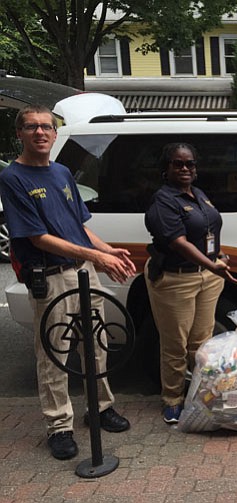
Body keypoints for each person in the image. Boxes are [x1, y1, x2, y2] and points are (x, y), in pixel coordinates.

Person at [0, 104, 136, 460]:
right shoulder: (13, 178)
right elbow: (37, 238)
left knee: (96, 342)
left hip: (82, 272)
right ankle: (59, 426)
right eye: (31, 127)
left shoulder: (61, 173)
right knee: (53, 352)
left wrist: (109, 251)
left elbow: (80, 226)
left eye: (46, 127)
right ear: (20, 134)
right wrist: (98, 257)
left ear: (55, 133)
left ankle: (100, 407)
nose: (40, 133)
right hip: (49, 276)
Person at [144, 142, 237, 424]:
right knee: (175, 344)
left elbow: (208, 229)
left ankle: (200, 394)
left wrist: (217, 256)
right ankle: (172, 399)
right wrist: (213, 264)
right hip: (176, 279)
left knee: (202, 342)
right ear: (167, 169)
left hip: (207, 278)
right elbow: (178, 242)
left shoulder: (198, 194)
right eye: (178, 163)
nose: (185, 168)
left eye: (190, 164)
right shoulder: (163, 200)